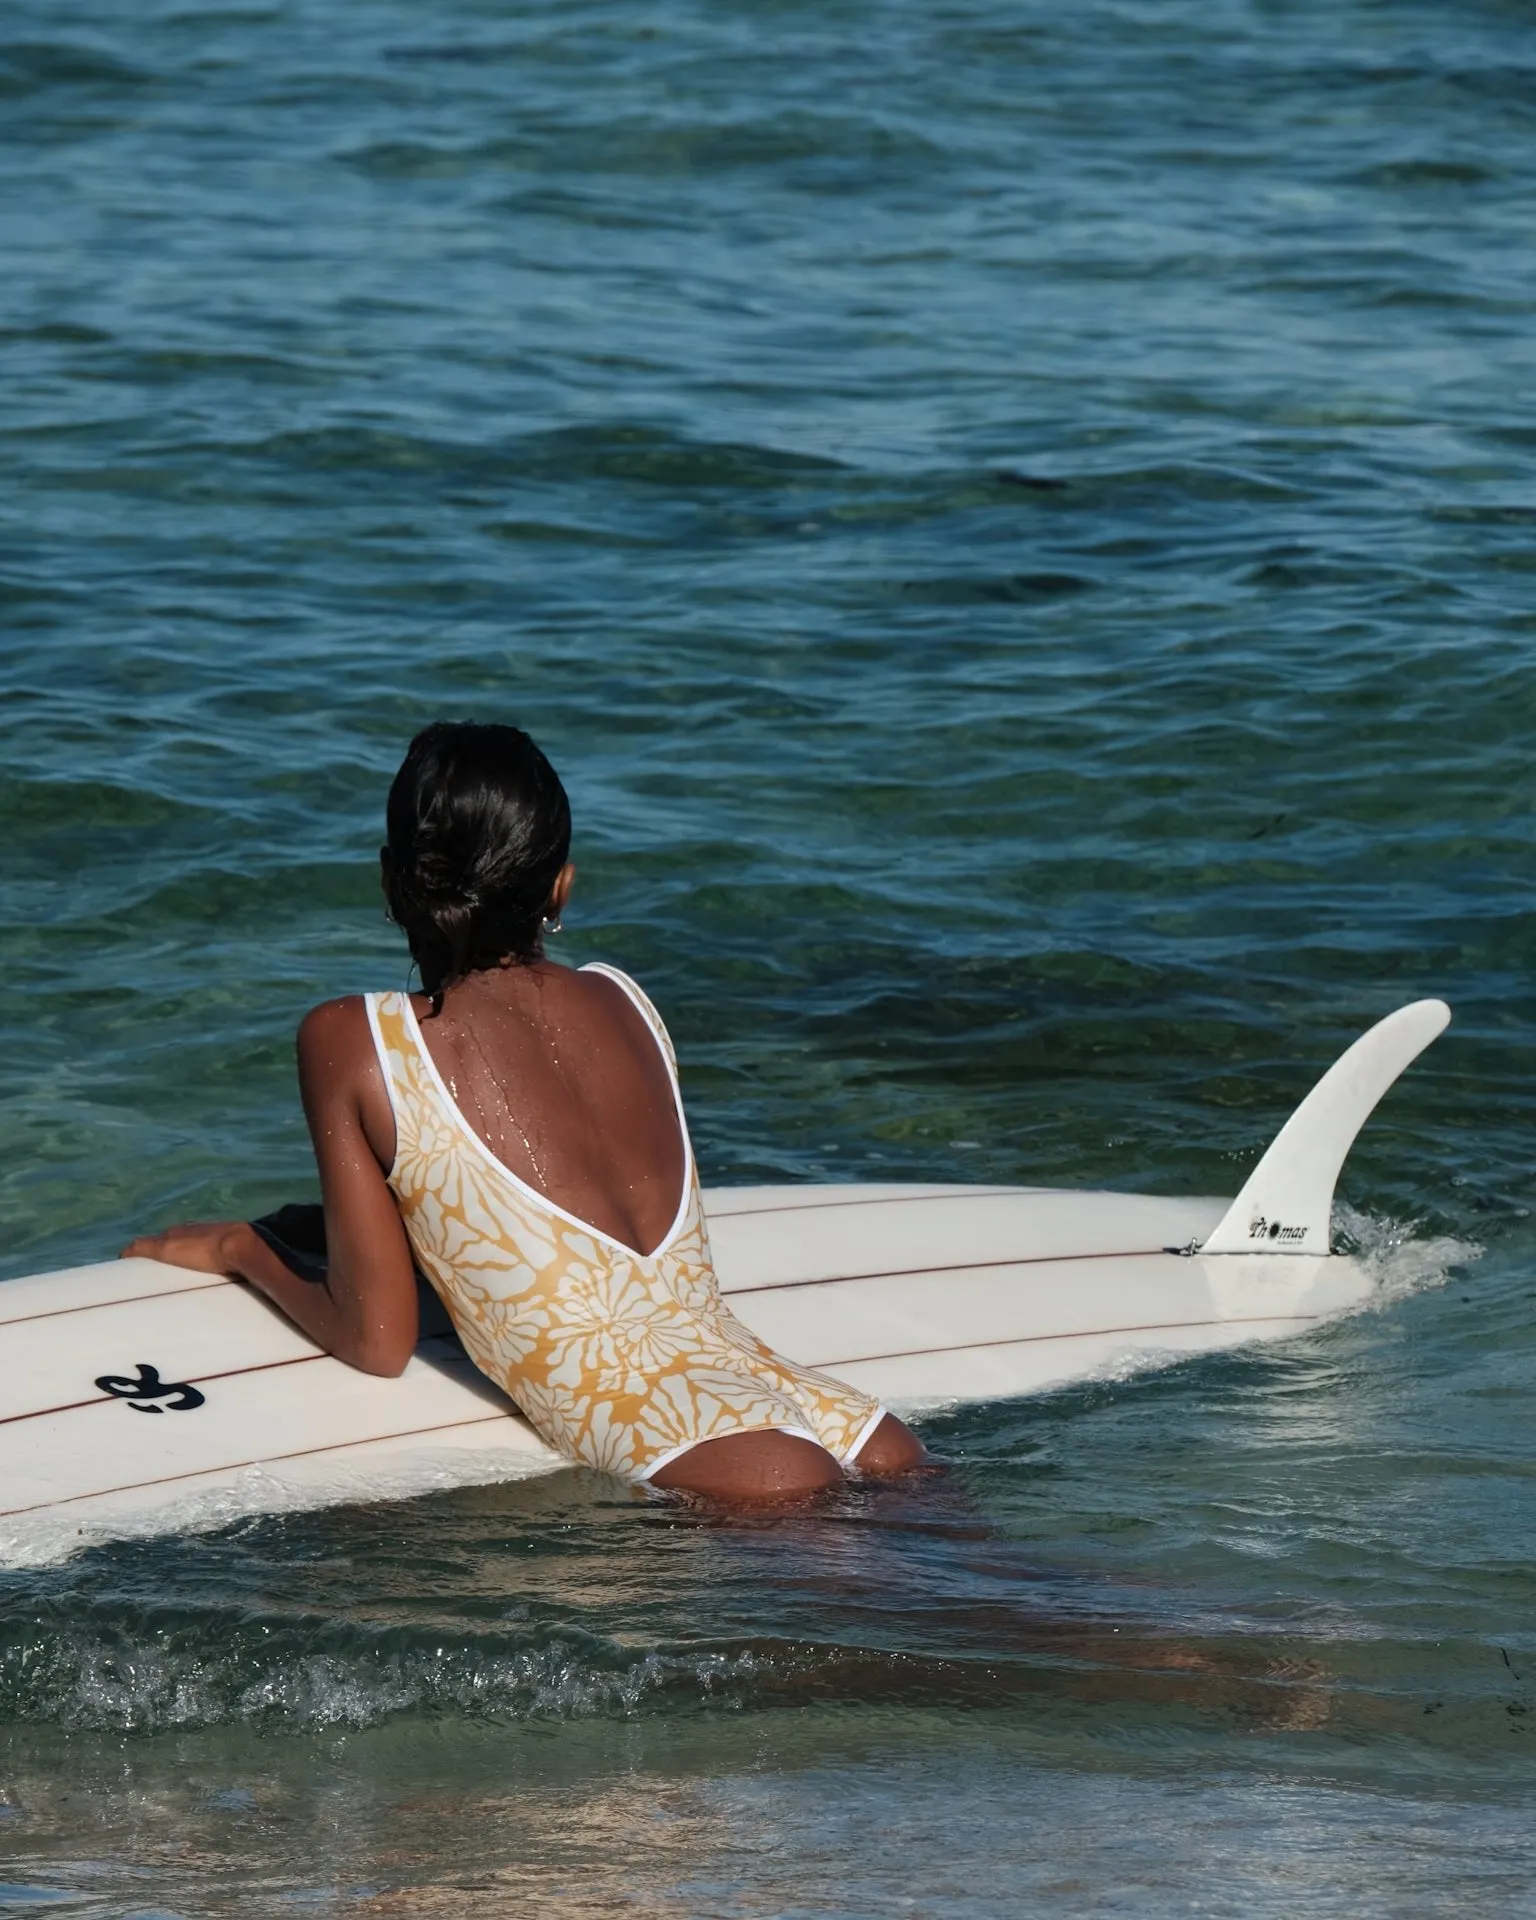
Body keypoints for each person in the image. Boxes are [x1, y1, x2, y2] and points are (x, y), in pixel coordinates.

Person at [124, 721, 925, 1502]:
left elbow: (376, 1343)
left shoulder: (353, 1040)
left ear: (388, 880)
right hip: (847, 1422)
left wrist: (244, 1248)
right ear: (559, 886)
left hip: (697, 1454)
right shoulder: (626, 1002)